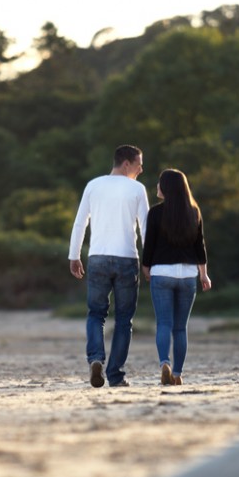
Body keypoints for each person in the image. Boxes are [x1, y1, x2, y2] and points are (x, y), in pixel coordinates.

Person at [68, 145, 150, 387]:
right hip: (127, 258)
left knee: (96, 313)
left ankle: (95, 359)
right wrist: (148, 262)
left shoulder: (93, 185)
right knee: (124, 319)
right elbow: (146, 228)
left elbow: (79, 222)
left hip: (98, 257)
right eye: (139, 164)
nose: (141, 169)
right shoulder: (137, 189)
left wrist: (74, 255)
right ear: (127, 164)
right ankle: (115, 374)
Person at [142, 168, 211, 385]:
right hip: (188, 275)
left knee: (163, 323)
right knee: (180, 327)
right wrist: (204, 275)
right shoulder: (194, 212)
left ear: (166, 187)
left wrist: (146, 267)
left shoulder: (155, 213)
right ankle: (178, 374)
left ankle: (165, 363)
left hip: (161, 272)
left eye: (159, 183)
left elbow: (149, 244)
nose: (157, 187)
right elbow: (200, 246)